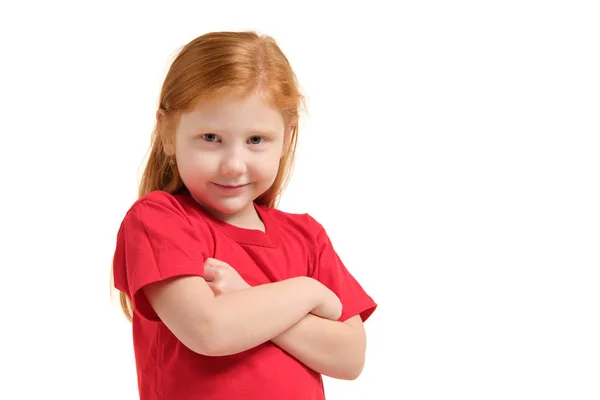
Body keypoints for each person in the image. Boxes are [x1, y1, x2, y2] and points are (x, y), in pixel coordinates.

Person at [111, 31, 377, 400]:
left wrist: (248, 296)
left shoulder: (307, 236)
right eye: (210, 138)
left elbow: (349, 358)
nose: (234, 165)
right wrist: (308, 291)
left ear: (286, 137)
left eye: (256, 140)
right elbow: (210, 331)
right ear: (168, 134)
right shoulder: (160, 220)